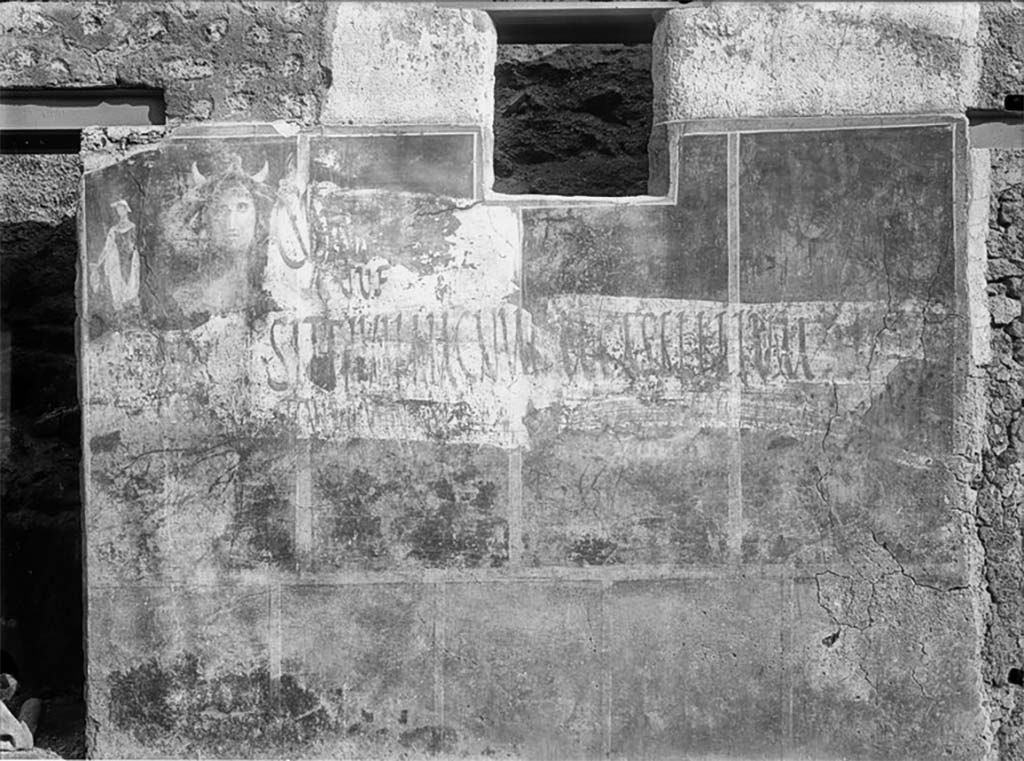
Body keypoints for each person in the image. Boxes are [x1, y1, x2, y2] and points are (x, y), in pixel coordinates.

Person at [90, 199, 139, 311]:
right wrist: (98, 263)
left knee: (132, 285)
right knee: (118, 288)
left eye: (121, 208)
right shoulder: (114, 230)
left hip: (130, 261)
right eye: (117, 209)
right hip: (117, 262)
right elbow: (107, 247)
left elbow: (136, 245)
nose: (119, 211)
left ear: (126, 210)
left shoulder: (133, 227)